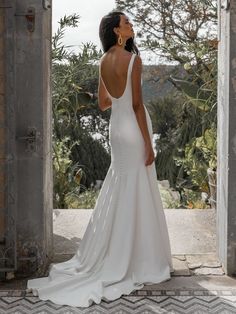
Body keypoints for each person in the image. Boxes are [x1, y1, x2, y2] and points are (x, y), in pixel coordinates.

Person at [26, 10, 174, 308]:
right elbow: (136, 104)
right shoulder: (133, 59)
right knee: (137, 189)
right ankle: (137, 257)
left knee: (120, 187)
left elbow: (105, 103)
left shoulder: (104, 60)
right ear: (118, 32)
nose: (131, 25)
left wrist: (115, 91)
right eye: (127, 23)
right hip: (132, 130)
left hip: (115, 132)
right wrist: (148, 143)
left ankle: (114, 252)